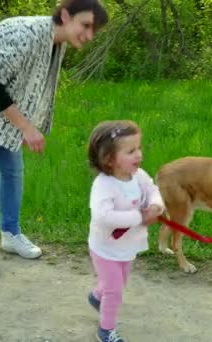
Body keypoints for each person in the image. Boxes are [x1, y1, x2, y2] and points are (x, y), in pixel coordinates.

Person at [0, 0, 109, 279]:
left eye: (95, 30)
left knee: (13, 172)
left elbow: (25, 83)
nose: (89, 35)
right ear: (66, 15)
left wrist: (29, 123)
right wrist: (26, 127)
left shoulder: (54, 40)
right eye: (86, 25)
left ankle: (10, 234)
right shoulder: (28, 35)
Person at [86, 120, 165, 342]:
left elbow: (152, 189)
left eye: (138, 148)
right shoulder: (104, 185)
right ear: (109, 160)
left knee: (119, 282)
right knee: (115, 290)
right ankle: (105, 330)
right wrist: (140, 217)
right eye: (130, 151)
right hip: (105, 247)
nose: (138, 155)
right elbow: (103, 217)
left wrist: (157, 205)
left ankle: (95, 297)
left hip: (128, 245)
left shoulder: (138, 176)